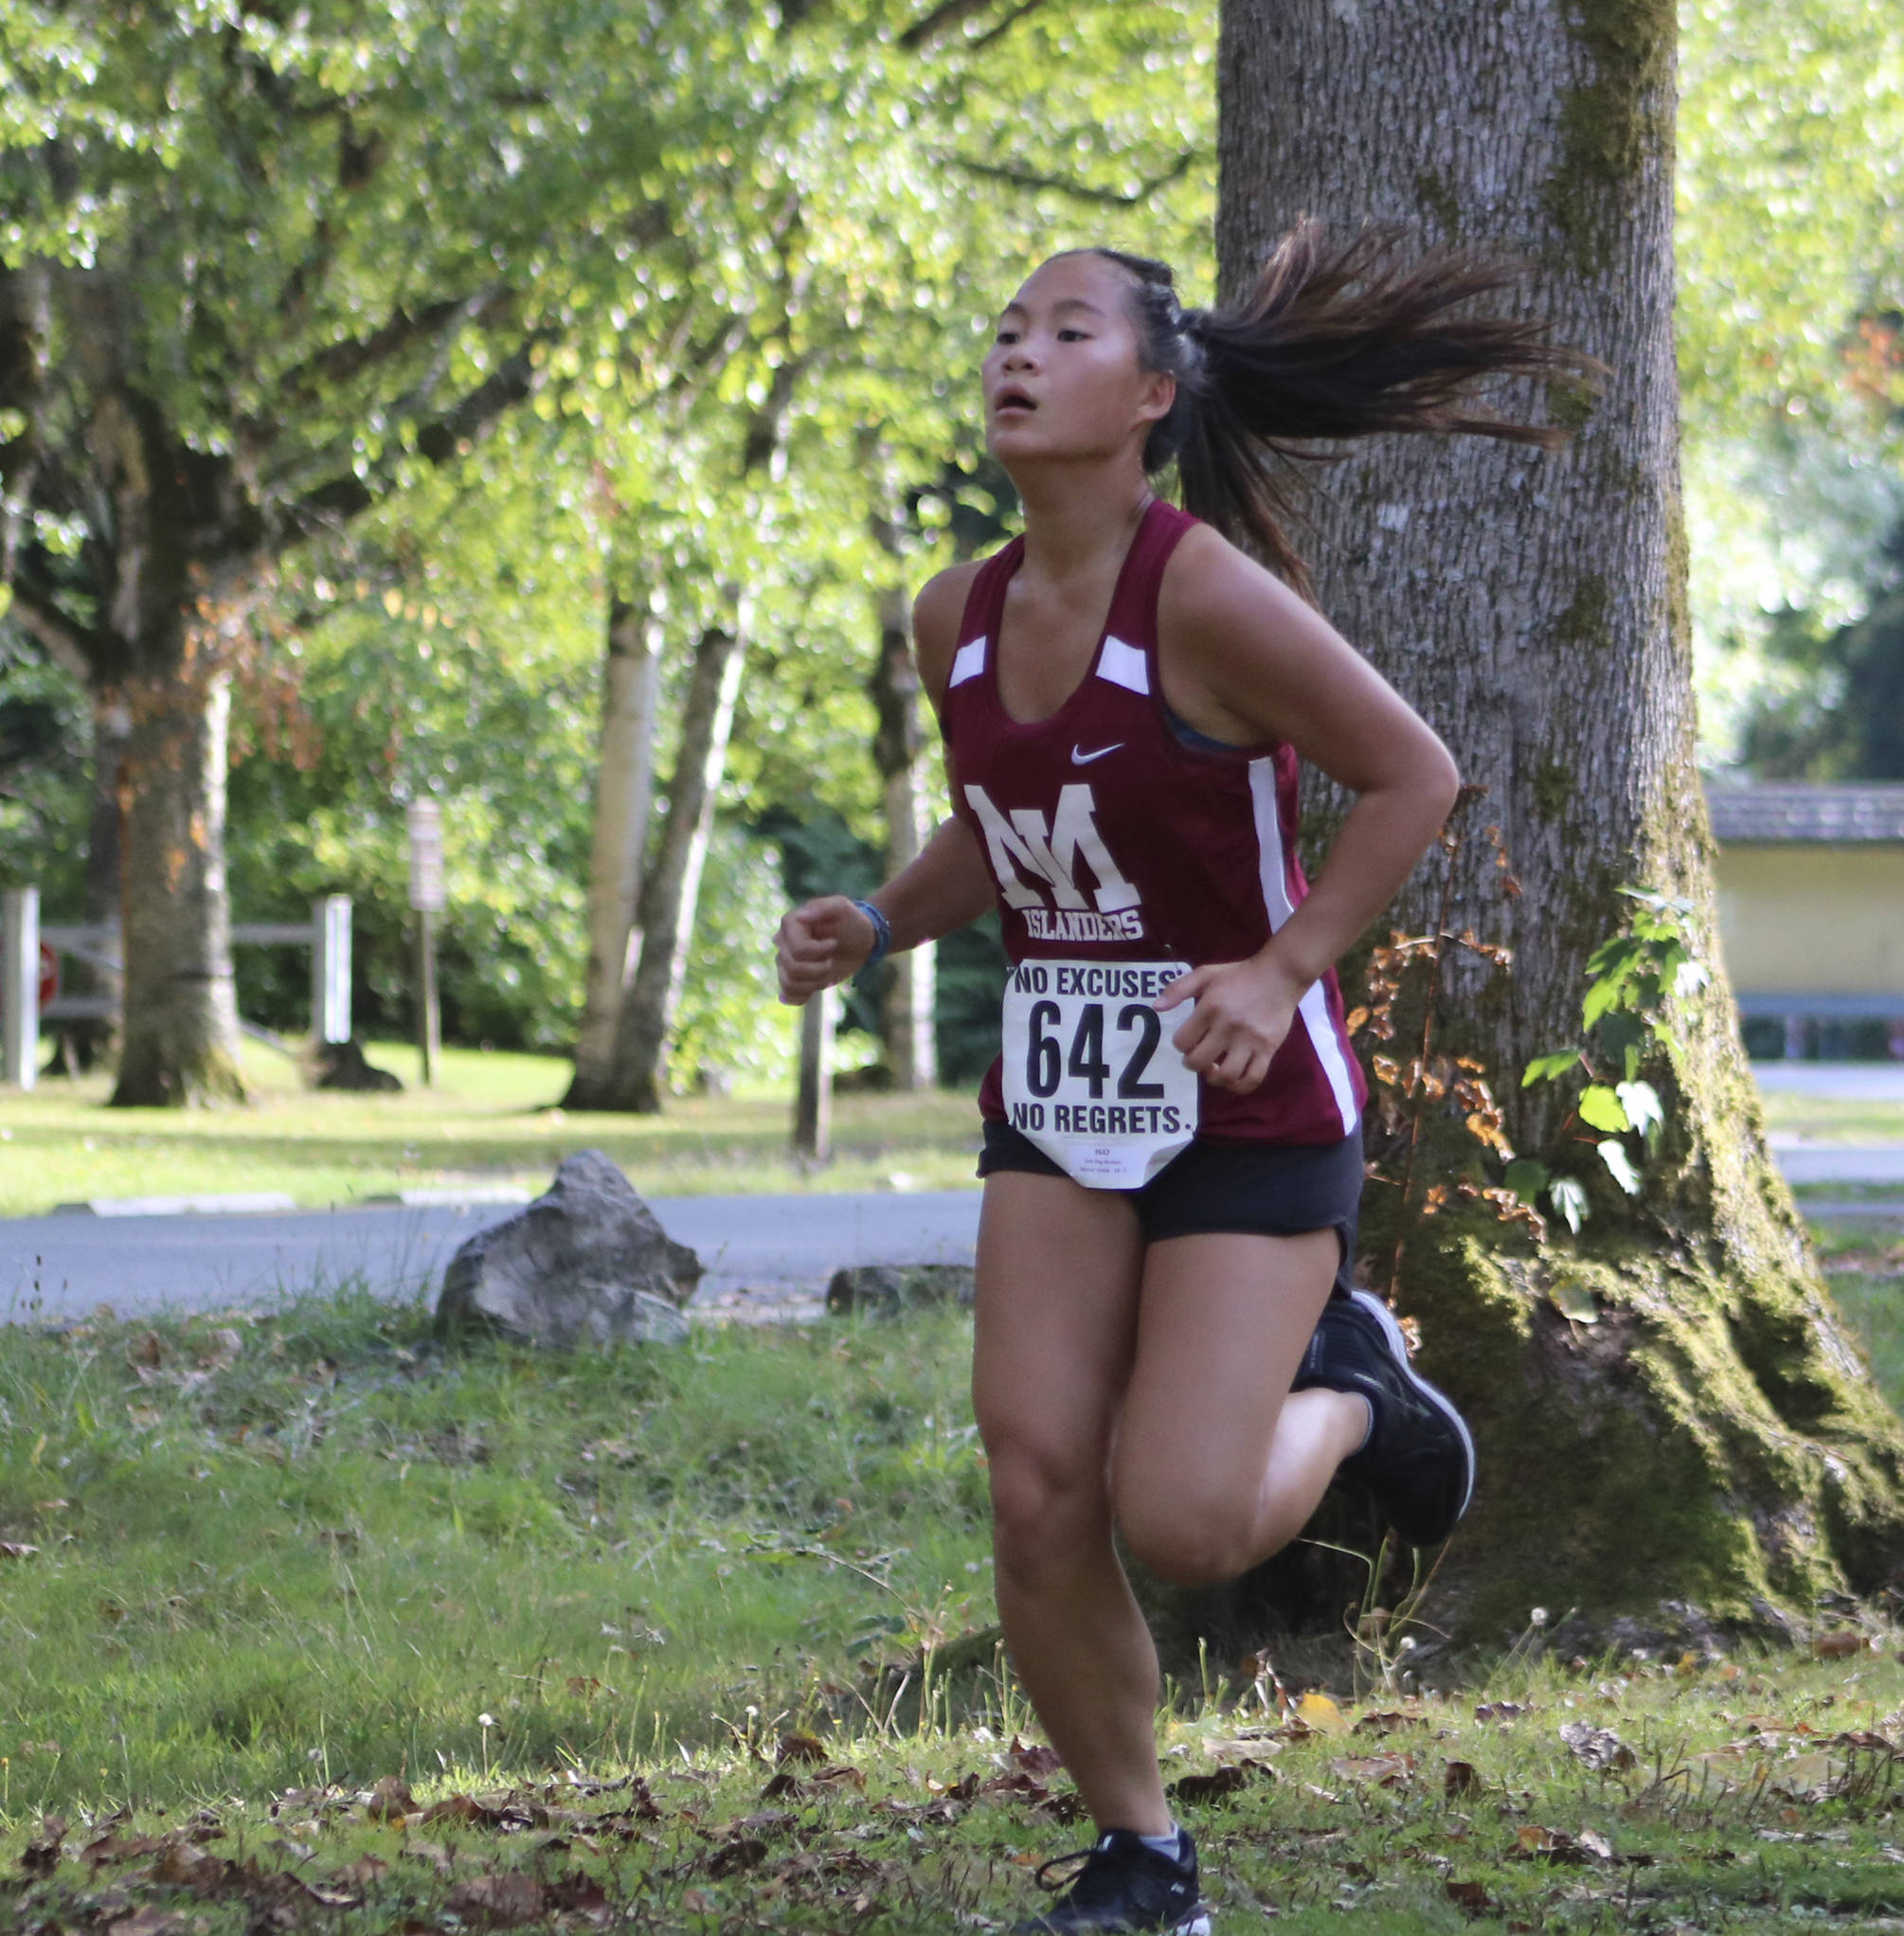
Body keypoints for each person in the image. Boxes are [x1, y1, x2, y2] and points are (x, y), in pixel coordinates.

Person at [776, 223, 1594, 1935]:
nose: (1014, 353)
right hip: (1063, 1109)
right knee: (1034, 1485)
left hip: (1249, 1109)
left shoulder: (1202, 591)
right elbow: (1017, 833)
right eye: (1004, 327)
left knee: (1191, 1519)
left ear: (1147, 395)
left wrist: (1284, 965)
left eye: (1060, 330)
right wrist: (877, 918)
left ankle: (1360, 1392)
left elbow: (1410, 776)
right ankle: (1143, 1857)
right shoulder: (957, 615)